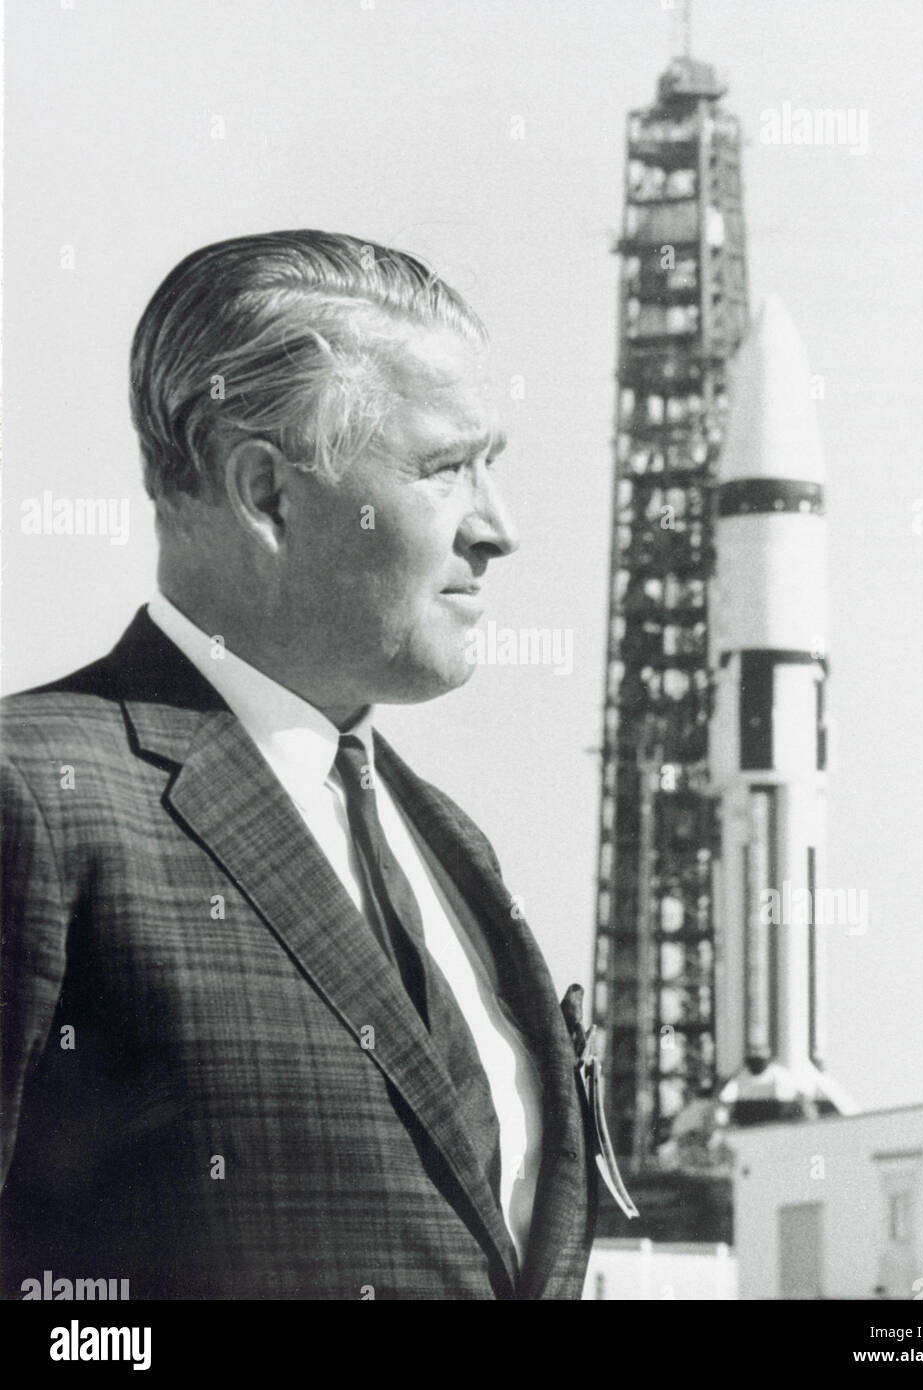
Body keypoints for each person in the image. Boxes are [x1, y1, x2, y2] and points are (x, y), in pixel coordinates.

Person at [0, 231, 596, 1300]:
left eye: (492, 465)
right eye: (447, 467)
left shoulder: (453, 845)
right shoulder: (36, 797)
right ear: (267, 495)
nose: (499, 530)